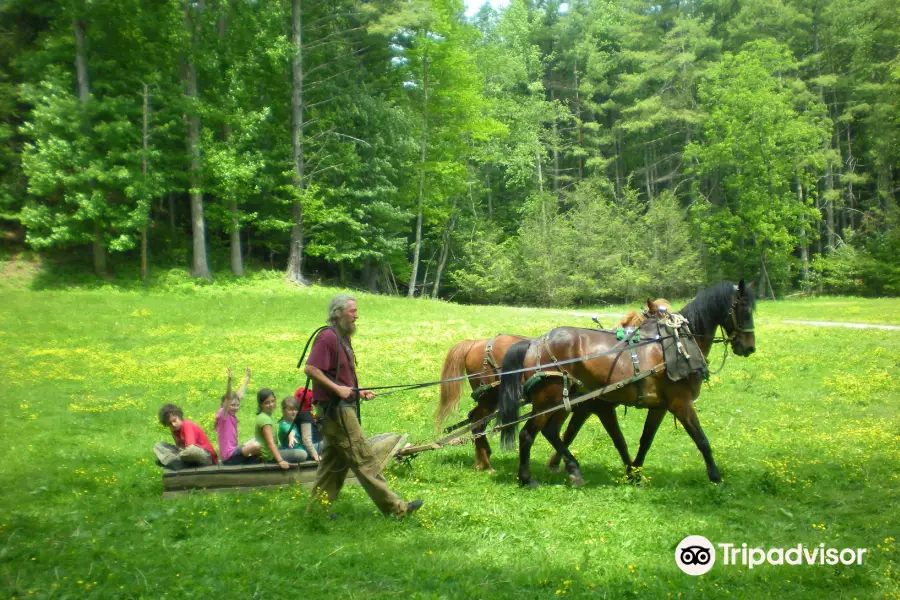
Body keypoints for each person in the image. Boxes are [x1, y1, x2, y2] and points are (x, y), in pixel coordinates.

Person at [304, 294, 423, 519]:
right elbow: (311, 369)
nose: (357, 316)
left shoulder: (343, 338)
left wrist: (358, 391)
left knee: (332, 466)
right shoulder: (326, 337)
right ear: (338, 313)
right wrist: (339, 390)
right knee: (364, 459)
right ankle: (397, 510)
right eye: (352, 312)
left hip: (340, 409)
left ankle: (317, 512)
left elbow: (339, 376)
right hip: (336, 411)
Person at [216, 366, 261, 465]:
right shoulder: (223, 415)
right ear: (224, 405)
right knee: (257, 446)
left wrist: (247, 378)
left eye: (237, 405)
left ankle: (250, 462)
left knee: (260, 440)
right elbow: (229, 398)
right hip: (229, 457)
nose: (235, 407)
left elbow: (239, 395)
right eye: (232, 405)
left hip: (235, 451)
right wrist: (229, 381)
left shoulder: (231, 415)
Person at [254, 389, 308, 467]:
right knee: (302, 454)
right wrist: (280, 461)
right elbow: (270, 443)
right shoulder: (265, 420)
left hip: (273, 451)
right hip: (269, 456)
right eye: (267, 403)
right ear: (260, 404)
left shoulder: (268, 415)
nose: (271, 405)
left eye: (272, 401)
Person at [154, 404, 218, 469]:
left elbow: (191, 448)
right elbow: (180, 448)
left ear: (179, 417)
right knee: (158, 445)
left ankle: (171, 461)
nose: (173, 424)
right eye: (170, 424)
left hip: (206, 457)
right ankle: (175, 462)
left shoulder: (187, 425)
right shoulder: (174, 431)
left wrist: (177, 456)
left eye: (174, 420)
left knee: (192, 451)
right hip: (187, 456)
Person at [279, 395, 321, 462]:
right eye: (290, 409)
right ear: (283, 411)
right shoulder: (283, 424)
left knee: (324, 444)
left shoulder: (294, 423)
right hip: (291, 451)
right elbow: (289, 431)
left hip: (302, 448)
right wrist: (291, 436)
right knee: (302, 454)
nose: (294, 412)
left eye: (295, 409)